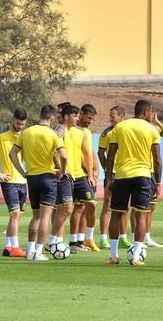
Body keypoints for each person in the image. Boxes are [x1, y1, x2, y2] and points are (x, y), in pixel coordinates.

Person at [106, 99, 162, 266]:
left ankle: (114, 256)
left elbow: (110, 155)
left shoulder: (120, 127)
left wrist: (109, 177)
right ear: (145, 112)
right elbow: (157, 159)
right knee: (141, 215)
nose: (152, 116)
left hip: (122, 175)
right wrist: (158, 182)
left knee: (116, 214)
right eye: (151, 113)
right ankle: (136, 256)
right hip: (143, 176)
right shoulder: (151, 129)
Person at [9, 105, 67, 261]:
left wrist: (22, 172)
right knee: (45, 217)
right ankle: (39, 252)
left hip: (32, 178)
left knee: (35, 217)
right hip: (48, 178)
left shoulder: (26, 132)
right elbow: (64, 156)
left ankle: (29, 251)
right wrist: (62, 170)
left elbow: (12, 153)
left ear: (40, 115)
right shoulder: (54, 134)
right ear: (52, 118)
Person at [0, 108, 28, 257]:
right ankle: (15, 247)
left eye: (23, 124)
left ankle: (8, 247)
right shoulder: (1, 135)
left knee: (17, 215)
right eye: (18, 123)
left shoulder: (25, 137)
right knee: (15, 214)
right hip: (9, 181)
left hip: (23, 181)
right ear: (12, 119)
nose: (20, 126)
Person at [48, 104, 87, 253]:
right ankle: (53, 241)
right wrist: (59, 168)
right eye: (75, 116)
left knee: (61, 209)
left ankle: (57, 241)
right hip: (63, 175)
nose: (78, 118)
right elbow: (52, 149)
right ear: (66, 117)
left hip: (69, 174)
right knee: (67, 208)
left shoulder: (70, 131)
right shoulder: (60, 130)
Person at [97, 106, 130, 249]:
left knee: (124, 207)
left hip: (125, 173)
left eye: (113, 116)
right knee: (107, 205)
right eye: (110, 116)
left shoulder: (127, 131)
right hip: (113, 174)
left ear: (122, 117)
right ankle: (103, 238)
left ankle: (123, 237)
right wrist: (107, 170)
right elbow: (101, 152)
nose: (110, 119)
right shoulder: (107, 133)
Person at [140, 112, 163, 249]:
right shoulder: (139, 128)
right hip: (143, 170)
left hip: (153, 171)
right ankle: (138, 237)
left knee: (151, 206)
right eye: (150, 112)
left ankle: (147, 236)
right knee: (140, 207)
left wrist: (157, 122)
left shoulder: (154, 129)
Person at [70, 103, 99, 252]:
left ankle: (82, 240)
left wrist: (95, 168)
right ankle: (76, 241)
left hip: (85, 174)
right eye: (88, 118)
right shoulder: (71, 130)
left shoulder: (86, 131)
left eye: (92, 119)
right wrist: (90, 174)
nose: (89, 121)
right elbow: (82, 154)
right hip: (78, 174)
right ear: (80, 114)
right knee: (85, 205)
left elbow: (90, 152)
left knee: (83, 206)